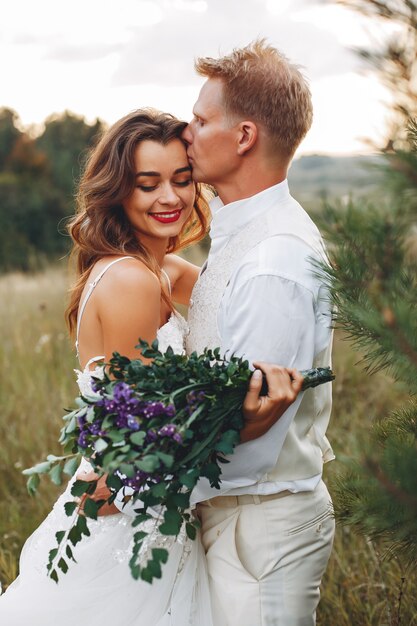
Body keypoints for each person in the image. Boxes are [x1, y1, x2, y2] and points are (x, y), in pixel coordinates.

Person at [0, 108, 302, 625]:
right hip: (129, 517)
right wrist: (251, 420)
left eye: (183, 180)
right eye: (148, 184)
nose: (170, 198)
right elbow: (144, 437)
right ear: (118, 190)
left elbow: (226, 291)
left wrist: (295, 258)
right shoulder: (131, 282)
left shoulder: (156, 267)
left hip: (148, 507)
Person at [182, 39, 336, 626]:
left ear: (243, 136)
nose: (186, 132)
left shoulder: (274, 258)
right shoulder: (247, 237)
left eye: (200, 120)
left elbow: (245, 425)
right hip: (238, 517)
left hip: (262, 526)